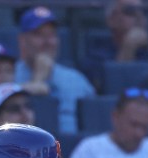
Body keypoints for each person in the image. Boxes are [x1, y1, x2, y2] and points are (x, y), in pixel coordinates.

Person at [14, 5, 96, 133]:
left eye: (52, 35)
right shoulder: (8, 74)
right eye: (38, 35)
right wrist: (38, 79)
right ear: (22, 40)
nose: (47, 41)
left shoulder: (75, 79)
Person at [82, 0, 148, 90]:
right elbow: (108, 91)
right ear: (111, 20)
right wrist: (128, 48)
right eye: (130, 11)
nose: (140, 17)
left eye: (144, 11)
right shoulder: (97, 55)